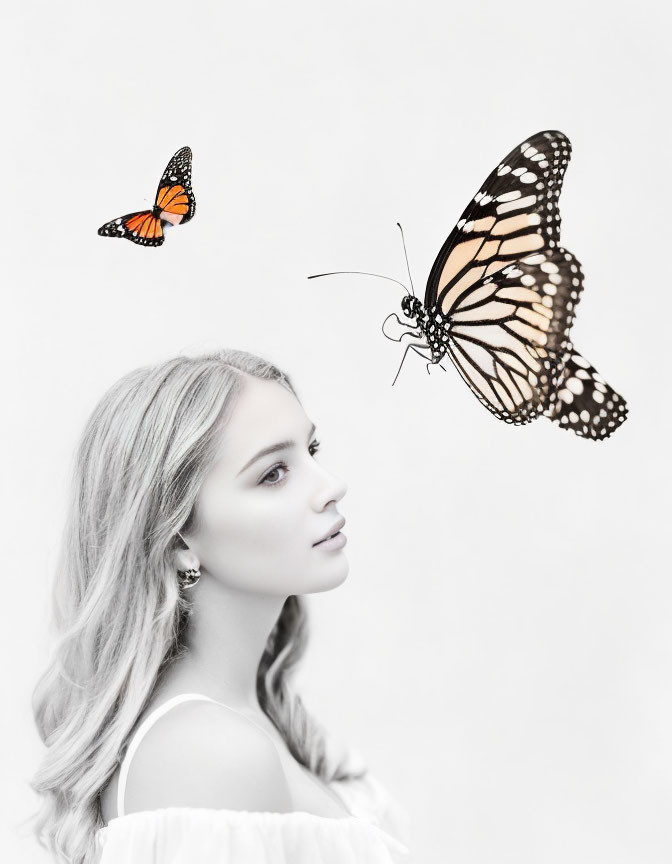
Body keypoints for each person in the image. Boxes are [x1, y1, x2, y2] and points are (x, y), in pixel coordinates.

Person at [30, 348, 413, 863]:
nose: (330, 486)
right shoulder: (209, 754)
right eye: (274, 473)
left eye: (312, 449)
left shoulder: (254, 724)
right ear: (178, 538)